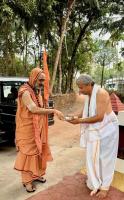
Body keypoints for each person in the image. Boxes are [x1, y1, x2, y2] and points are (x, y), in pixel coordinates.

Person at [67, 74, 119, 199]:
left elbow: (99, 117)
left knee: (105, 159)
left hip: (108, 130)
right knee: (95, 157)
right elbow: (86, 111)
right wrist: (76, 117)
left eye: (81, 88)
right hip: (98, 131)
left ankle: (105, 187)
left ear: (89, 85)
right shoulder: (89, 94)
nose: (80, 91)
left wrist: (79, 121)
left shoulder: (101, 93)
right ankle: (95, 181)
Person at [14, 67, 64, 193]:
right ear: (34, 78)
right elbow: (33, 109)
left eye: (44, 81)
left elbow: (40, 107)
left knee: (38, 152)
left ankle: (35, 175)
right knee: (28, 155)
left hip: (38, 129)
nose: (42, 83)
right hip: (27, 130)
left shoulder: (37, 91)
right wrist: (53, 110)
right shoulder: (25, 91)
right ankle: (27, 181)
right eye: (41, 80)